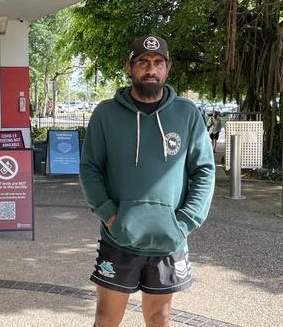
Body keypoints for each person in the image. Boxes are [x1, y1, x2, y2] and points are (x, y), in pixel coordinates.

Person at [80, 35, 215, 327]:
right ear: (130, 67)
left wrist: (186, 222)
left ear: (167, 69)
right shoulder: (106, 114)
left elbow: (204, 170)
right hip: (118, 237)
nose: (150, 69)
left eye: (158, 63)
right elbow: (90, 168)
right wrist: (109, 214)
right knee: (106, 319)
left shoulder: (187, 113)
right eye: (143, 62)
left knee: (159, 319)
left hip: (168, 239)